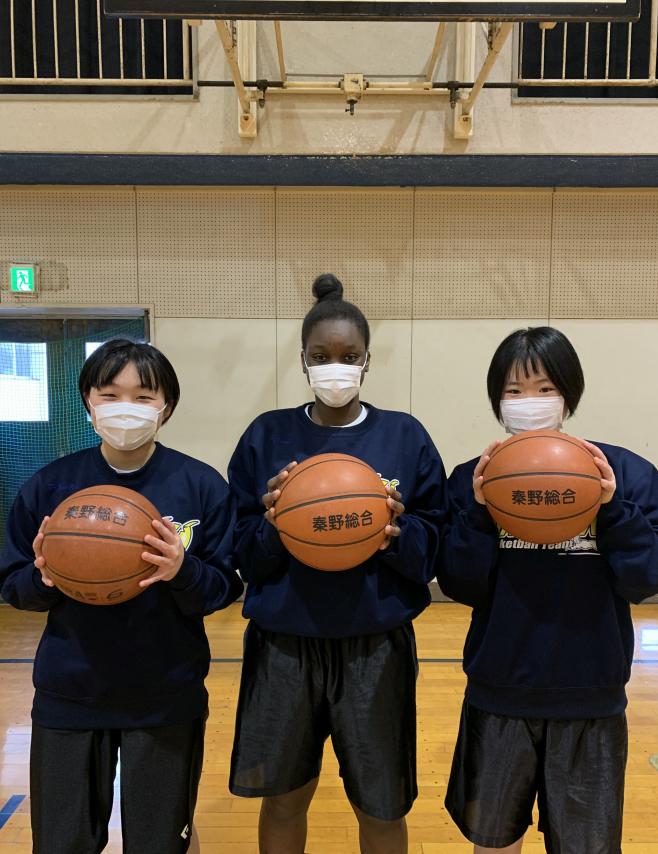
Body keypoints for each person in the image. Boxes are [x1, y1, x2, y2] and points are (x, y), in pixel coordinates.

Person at [227, 274, 448, 854]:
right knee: (283, 797)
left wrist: (396, 532)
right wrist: (275, 528)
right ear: (303, 361)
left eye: (348, 356)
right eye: (321, 357)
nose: (335, 367)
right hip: (285, 644)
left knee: (380, 805)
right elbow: (242, 551)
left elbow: (433, 551)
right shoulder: (266, 436)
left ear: (367, 360)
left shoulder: (404, 435)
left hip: (375, 644)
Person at [0, 339, 243, 854]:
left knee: (159, 843)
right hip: (70, 694)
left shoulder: (201, 485)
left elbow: (224, 588)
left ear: (167, 406)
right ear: (88, 401)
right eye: (110, 394)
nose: (125, 408)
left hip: (165, 695)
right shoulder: (51, 485)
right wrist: (43, 578)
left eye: (143, 395)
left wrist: (183, 570)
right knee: (62, 844)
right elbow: (11, 582)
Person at [439, 326, 658, 854]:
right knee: (493, 844)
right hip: (499, 692)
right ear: (497, 400)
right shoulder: (473, 478)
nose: (529, 403)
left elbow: (646, 579)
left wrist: (611, 511)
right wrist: (475, 513)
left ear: (569, 394)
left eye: (544, 389)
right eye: (514, 391)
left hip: (591, 698)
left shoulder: (624, 474)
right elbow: (459, 583)